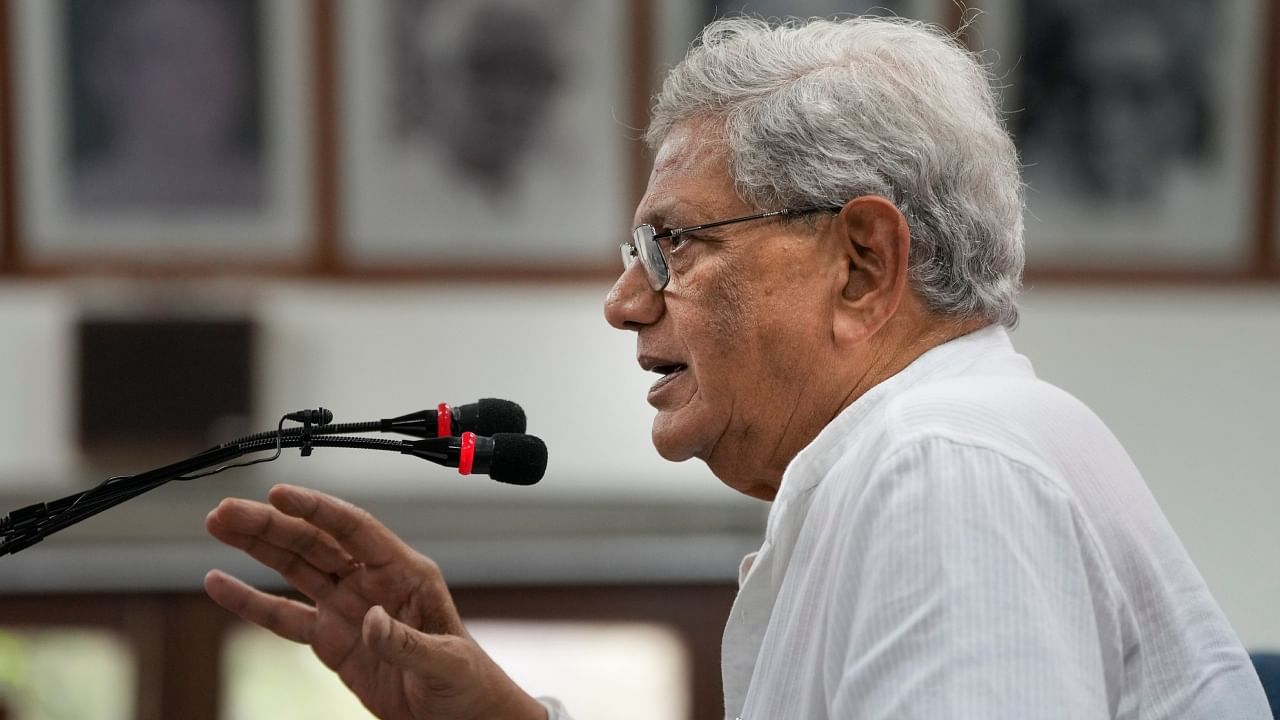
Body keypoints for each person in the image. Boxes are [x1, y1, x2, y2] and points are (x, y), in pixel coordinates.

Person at [203, 16, 1272, 720]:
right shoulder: (922, 455)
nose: (624, 301)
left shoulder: (944, 472)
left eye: (673, 244)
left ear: (861, 265)